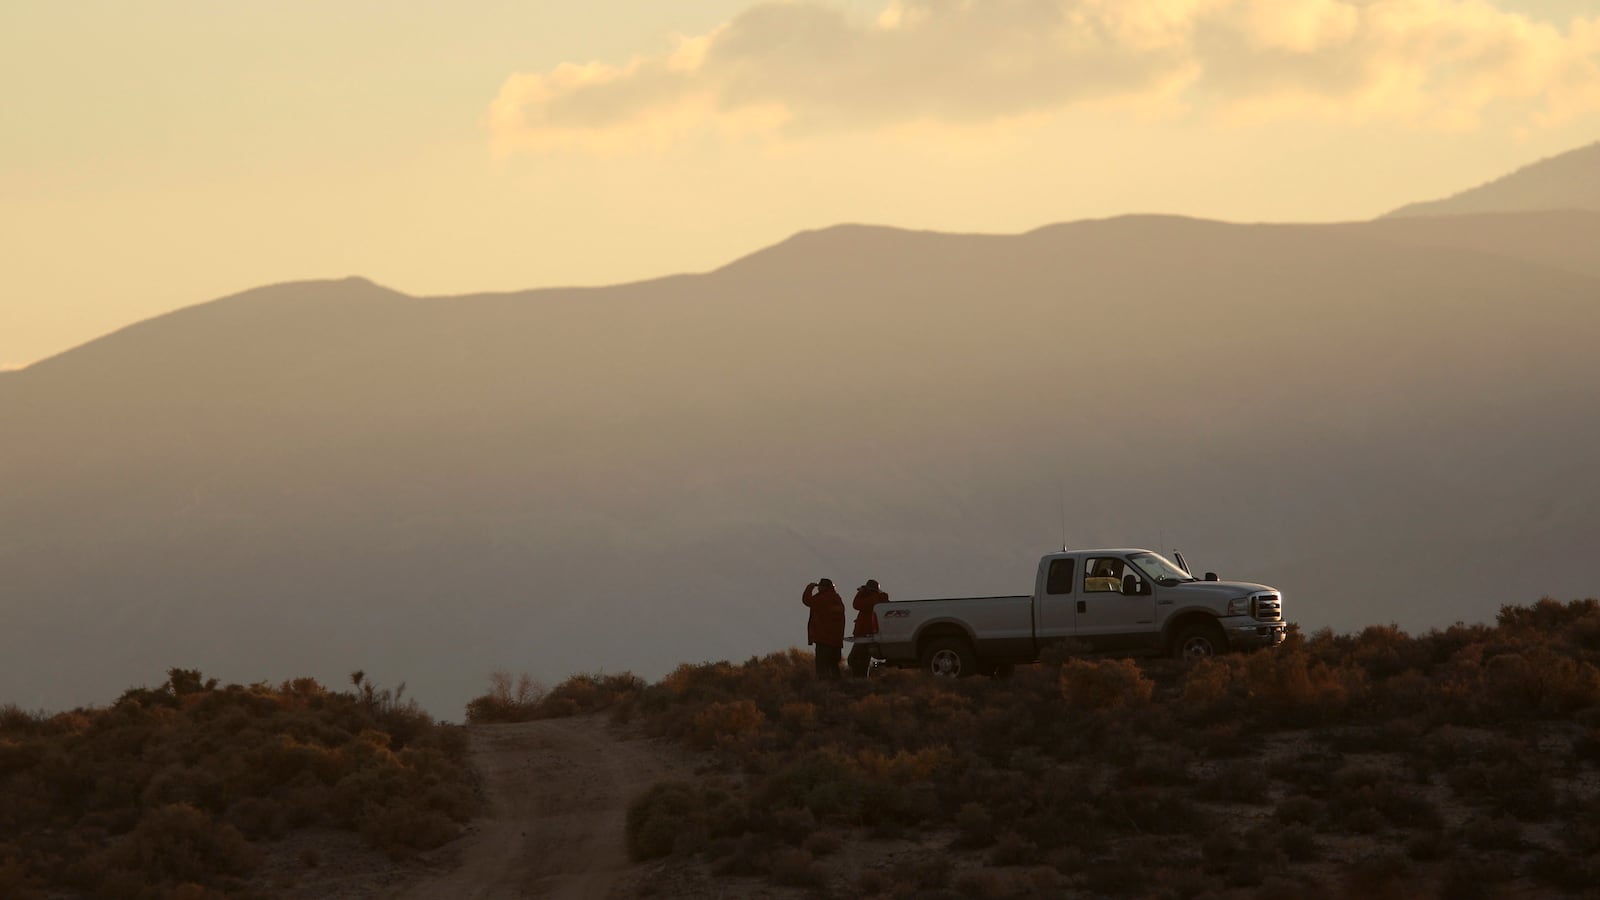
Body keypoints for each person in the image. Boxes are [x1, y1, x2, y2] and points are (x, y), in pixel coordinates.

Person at [802, 578, 846, 680]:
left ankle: (825, 688)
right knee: (834, 666)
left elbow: (807, 600)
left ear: (823, 588)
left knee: (822, 668)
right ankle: (838, 687)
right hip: (836, 641)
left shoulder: (822, 599)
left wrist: (809, 587)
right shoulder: (837, 599)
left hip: (824, 639)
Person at [848, 578, 890, 678]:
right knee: (864, 659)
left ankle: (859, 679)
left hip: (864, 634)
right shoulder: (878, 598)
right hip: (871, 634)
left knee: (853, 659)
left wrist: (860, 593)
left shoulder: (872, 599)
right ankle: (862, 680)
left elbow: (856, 604)